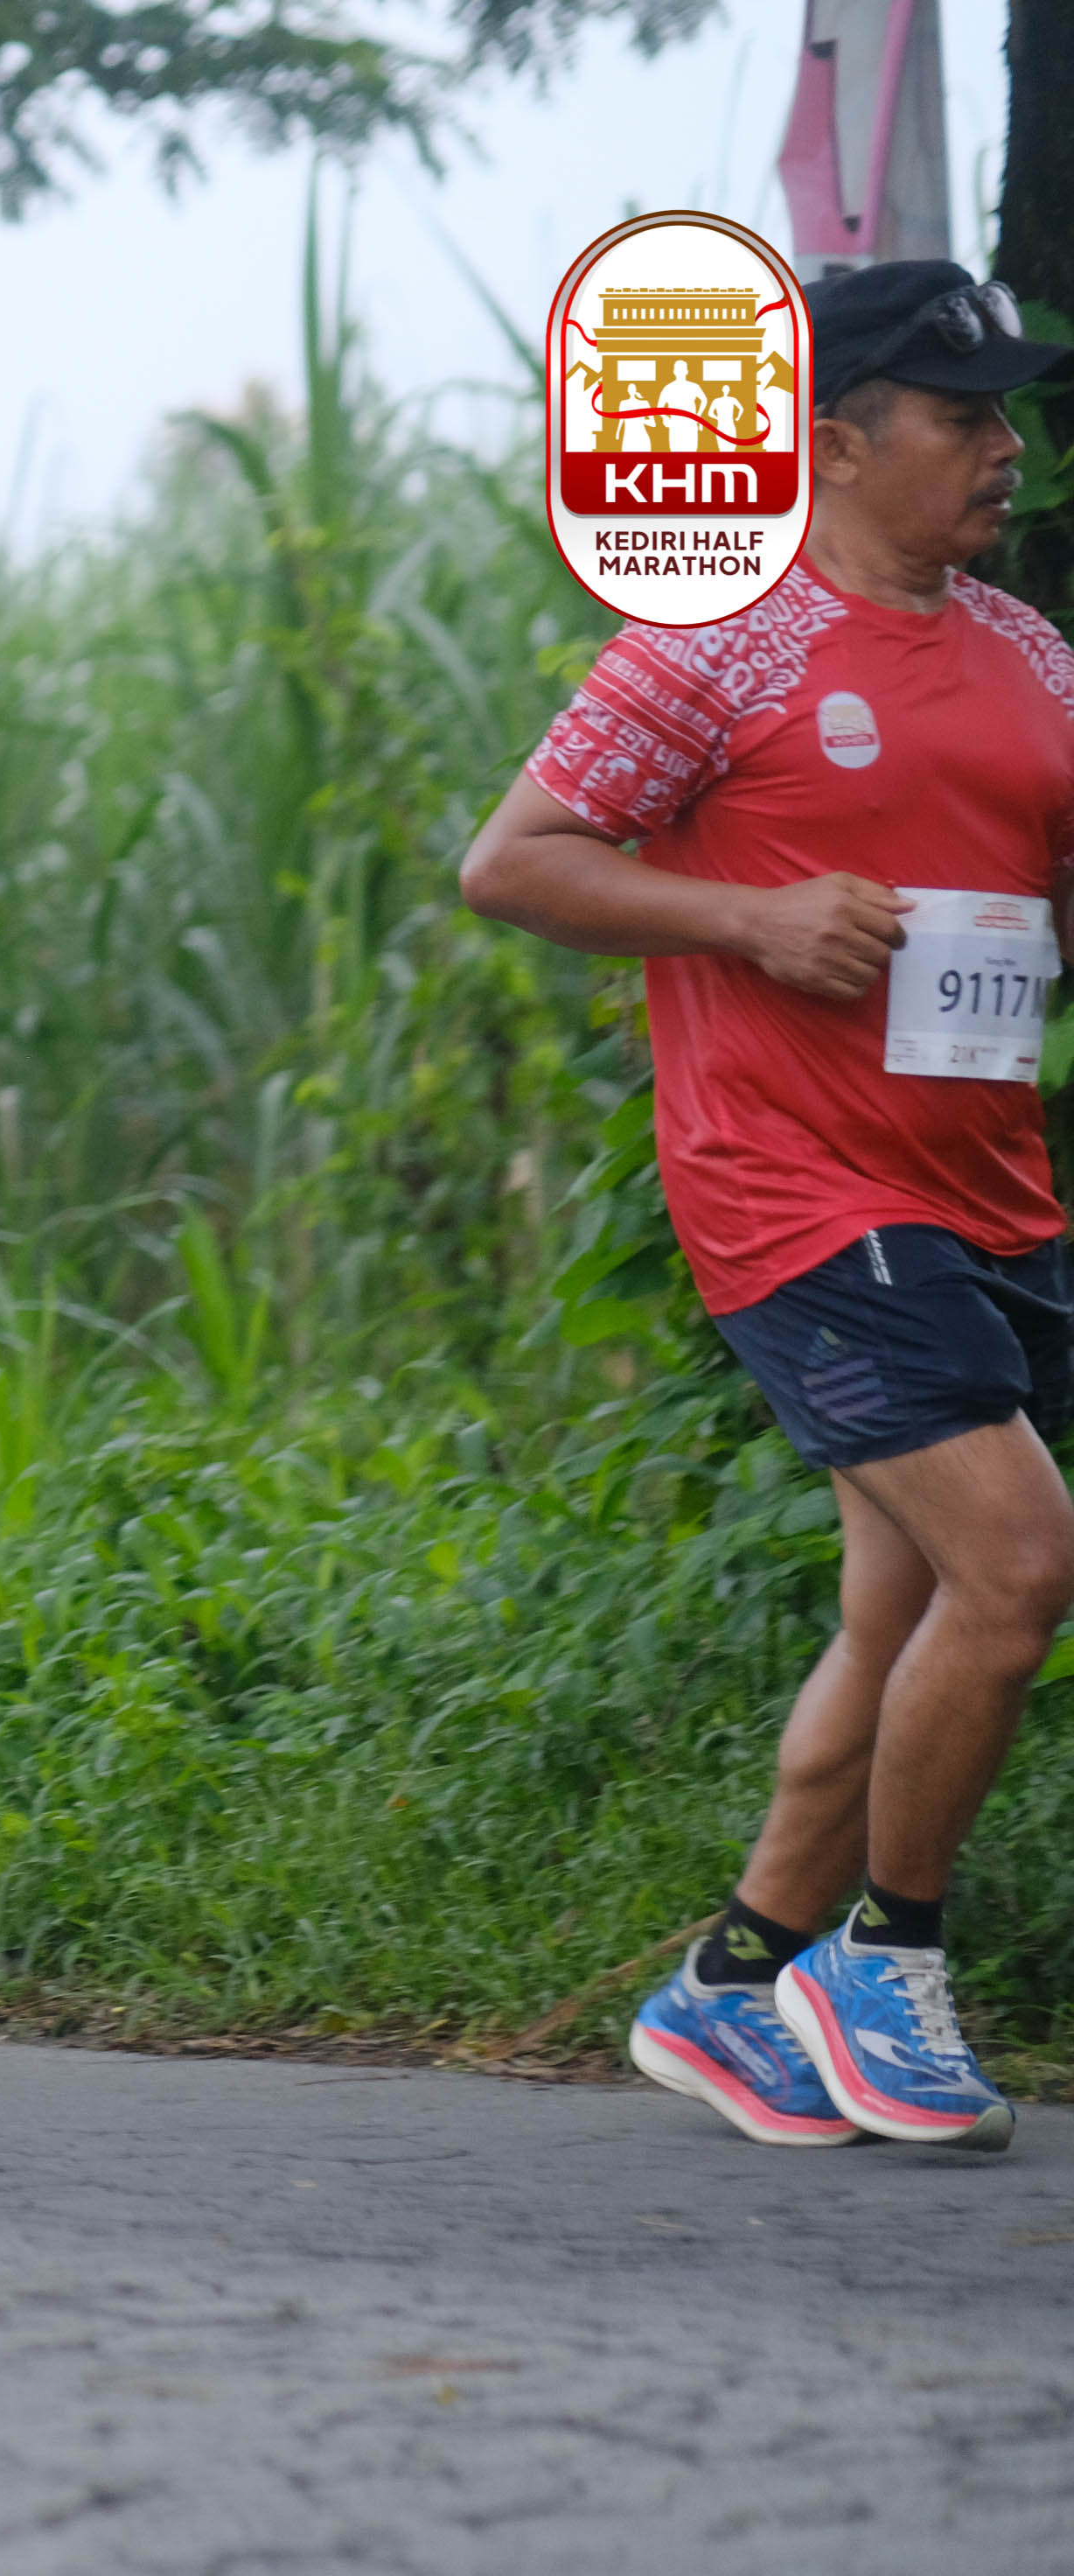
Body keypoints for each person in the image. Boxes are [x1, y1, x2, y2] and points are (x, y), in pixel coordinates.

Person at [463, 261, 1074, 2153]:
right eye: (963, 415)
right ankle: (885, 1963)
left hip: (981, 1187)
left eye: (1005, 411)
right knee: (1019, 1564)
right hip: (790, 1186)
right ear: (833, 441)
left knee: (904, 1610)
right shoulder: (714, 642)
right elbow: (513, 862)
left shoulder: (1031, 652)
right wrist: (752, 917)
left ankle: (734, 1984)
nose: (1005, 446)